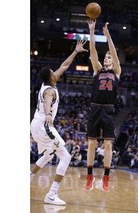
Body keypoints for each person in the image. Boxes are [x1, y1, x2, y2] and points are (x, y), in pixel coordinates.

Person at [30, 39, 88, 205]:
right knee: (66, 157)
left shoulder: (48, 81)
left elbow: (65, 65)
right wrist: (48, 113)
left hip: (37, 124)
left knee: (49, 154)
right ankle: (51, 194)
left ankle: (29, 176)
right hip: (43, 125)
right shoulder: (49, 89)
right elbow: (48, 99)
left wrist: (76, 51)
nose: (55, 71)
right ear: (50, 76)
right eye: (51, 71)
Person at [86, 19, 122, 192]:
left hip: (108, 110)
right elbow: (93, 51)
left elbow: (114, 53)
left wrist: (108, 36)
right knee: (92, 143)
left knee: (108, 145)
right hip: (95, 108)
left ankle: (106, 177)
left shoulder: (116, 72)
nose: (107, 58)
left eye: (109, 57)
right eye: (106, 57)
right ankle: (90, 175)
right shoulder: (97, 70)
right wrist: (92, 31)